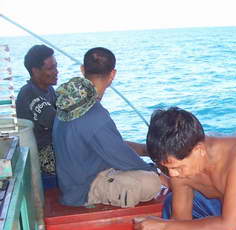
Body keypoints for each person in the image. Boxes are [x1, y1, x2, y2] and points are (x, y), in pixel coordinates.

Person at [53, 47, 167, 207]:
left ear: (83, 70)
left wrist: (145, 151)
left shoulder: (67, 102)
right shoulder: (95, 114)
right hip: (84, 190)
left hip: (74, 180)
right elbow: (123, 157)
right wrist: (155, 172)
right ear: (113, 74)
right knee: (152, 182)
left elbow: (107, 144)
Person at [16, 45, 58, 175]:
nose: (57, 71)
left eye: (56, 66)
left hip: (54, 144)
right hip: (40, 153)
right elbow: (56, 121)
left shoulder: (49, 89)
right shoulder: (29, 93)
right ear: (35, 71)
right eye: (51, 68)